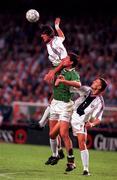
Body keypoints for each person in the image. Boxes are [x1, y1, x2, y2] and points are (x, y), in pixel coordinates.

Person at [46, 52, 81, 171]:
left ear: (70, 62)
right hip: (55, 103)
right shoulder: (59, 70)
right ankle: (57, 154)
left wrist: (63, 81)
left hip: (65, 106)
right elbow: (51, 82)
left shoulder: (73, 73)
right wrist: (51, 98)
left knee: (63, 133)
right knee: (52, 134)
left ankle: (71, 162)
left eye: (66, 58)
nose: (64, 59)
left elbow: (78, 84)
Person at [69, 77, 108, 175]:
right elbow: (75, 87)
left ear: (99, 87)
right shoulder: (87, 89)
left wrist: (92, 124)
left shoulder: (100, 102)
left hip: (80, 122)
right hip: (70, 115)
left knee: (82, 144)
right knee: (57, 131)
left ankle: (86, 169)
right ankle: (58, 155)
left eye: (96, 82)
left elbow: (99, 119)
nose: (93, 81)